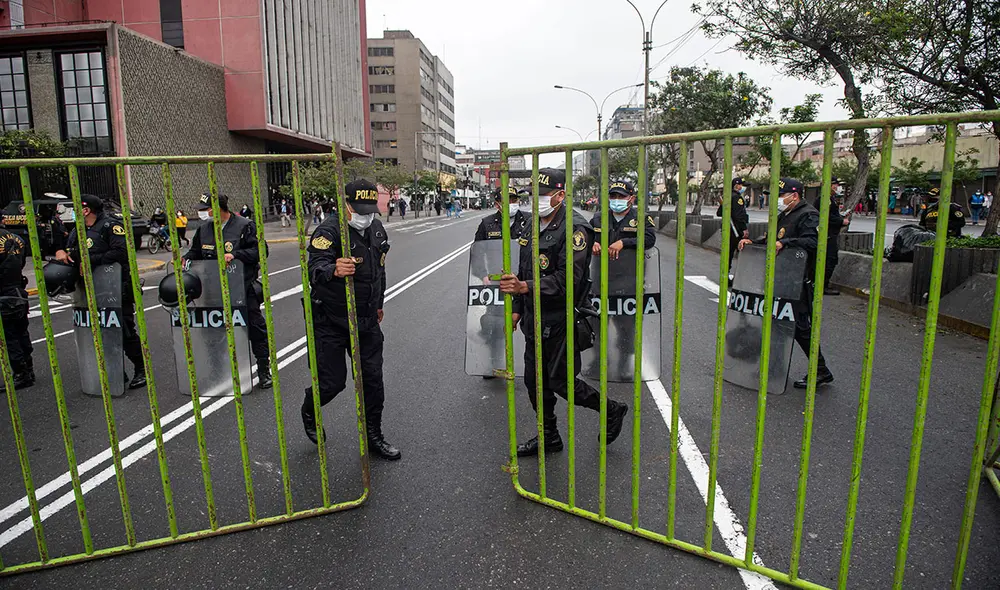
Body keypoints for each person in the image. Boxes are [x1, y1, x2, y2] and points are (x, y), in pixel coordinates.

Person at [499, 168, 629, 456]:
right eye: (534, 196)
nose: (537, 201)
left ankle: (611, 409)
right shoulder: (532, 224)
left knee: (560, 381)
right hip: (534, 317)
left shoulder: (575, 229)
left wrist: (524, 288)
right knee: (534, 380)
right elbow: (522, 269)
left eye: (543, 196)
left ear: (560, 195)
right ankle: (549, 436)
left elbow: (567, 280)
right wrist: (518, 309)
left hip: (560, 318)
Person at [301, 179, 399, 459]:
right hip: (331, 319)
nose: (364, 217)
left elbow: (379, 272)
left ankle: (374, 436)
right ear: (345, 205)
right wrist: (332, 269)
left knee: (373, 380)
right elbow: (314, 269)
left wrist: (378, 304)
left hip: (366, 319)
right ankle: (310, 408)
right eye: (359, 210)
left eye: (369, 211)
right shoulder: (328, 231)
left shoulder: (376, 229)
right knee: (332, 382)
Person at [737, 178, 833, 389]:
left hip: (797, 282)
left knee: (799, 328)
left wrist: (785, 243)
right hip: (781, 279)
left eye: (780, 196)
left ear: (794, 195)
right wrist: (755, 242)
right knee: (777, 324)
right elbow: (772, 238)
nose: (778, 200)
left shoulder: (808, 215)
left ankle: (821, 370)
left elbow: (814, 242)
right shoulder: (786, 214)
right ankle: (774, 369)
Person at [183, 193, 272, 389]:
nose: (201, 213)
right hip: (213, 289)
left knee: (255, 328)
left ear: (216, 209)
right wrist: (185, 258)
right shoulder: (204, 229)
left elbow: (261, 251)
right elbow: (195, 252)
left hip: (242, 287)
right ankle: (218, 370)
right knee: (213, 331)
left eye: (204, 209)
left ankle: (264, 369)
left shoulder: (245, 226)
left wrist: (235, 255)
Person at [57, 196, 146, 389]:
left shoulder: (110, 226)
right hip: (89, 290)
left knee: (124, 330)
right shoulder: (77, 231)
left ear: (87, 210)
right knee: (100, 332)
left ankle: (141, 369)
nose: (73, 212)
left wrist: (91, 260)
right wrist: (62, 253)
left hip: (116, 288)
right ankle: (115, 372)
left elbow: (122, 252)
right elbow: (71, 252)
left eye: (76, 209)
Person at [589, 179, 657, 377]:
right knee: (597, 323)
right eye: (613, 196)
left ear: (631, 199)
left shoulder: (641, 218)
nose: (616, 200)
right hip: (601, 279)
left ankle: (625, 363)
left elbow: (650, 239)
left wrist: (624, 242)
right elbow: (586, 237)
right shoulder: (599, 217)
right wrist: (594, 243)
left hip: (628, 280)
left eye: (621, 196)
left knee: (626, 326)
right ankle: (598, 360)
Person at [473, 186, 528, 381]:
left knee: (528, 323)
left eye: (514, 199)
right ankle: (495, 363)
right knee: (495, 325)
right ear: (497, 204)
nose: (511, 203)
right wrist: (483, 275)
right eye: (507, 200)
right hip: (498, 284)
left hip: (523, 282)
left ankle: (530, 365)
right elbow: (477, 252)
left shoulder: (529, 221)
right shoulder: (487, 224)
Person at [0, 226, 32, 391]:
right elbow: (22, 262)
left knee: (10, 336)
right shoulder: (17, 237)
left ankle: (20, 374)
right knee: (21, 331)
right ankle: (29, 369)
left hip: (4, 291)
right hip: (18, 289)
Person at [818, 177, 851, 296]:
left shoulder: (830, 198)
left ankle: (823, 285)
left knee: (830, 259)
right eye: (834, 184)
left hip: (830, 234)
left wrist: (840, 216)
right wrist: (841, 222)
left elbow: (831, 214)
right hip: (826, 235)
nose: (837, 187)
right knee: (829, 260)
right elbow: (826, 216)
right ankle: (822, 286)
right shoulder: (824, 199)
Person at [715, 177, 749, 272]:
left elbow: (719, 213)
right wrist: (744, 229)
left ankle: (726, 273)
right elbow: (739, 216)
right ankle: (738, 276)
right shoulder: (737, 198)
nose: (743, 187)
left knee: (728, 252)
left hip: (727, 228)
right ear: (737, 186)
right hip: (735, 229)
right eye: (742, 185)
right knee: (741, 253)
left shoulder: (728, 196)